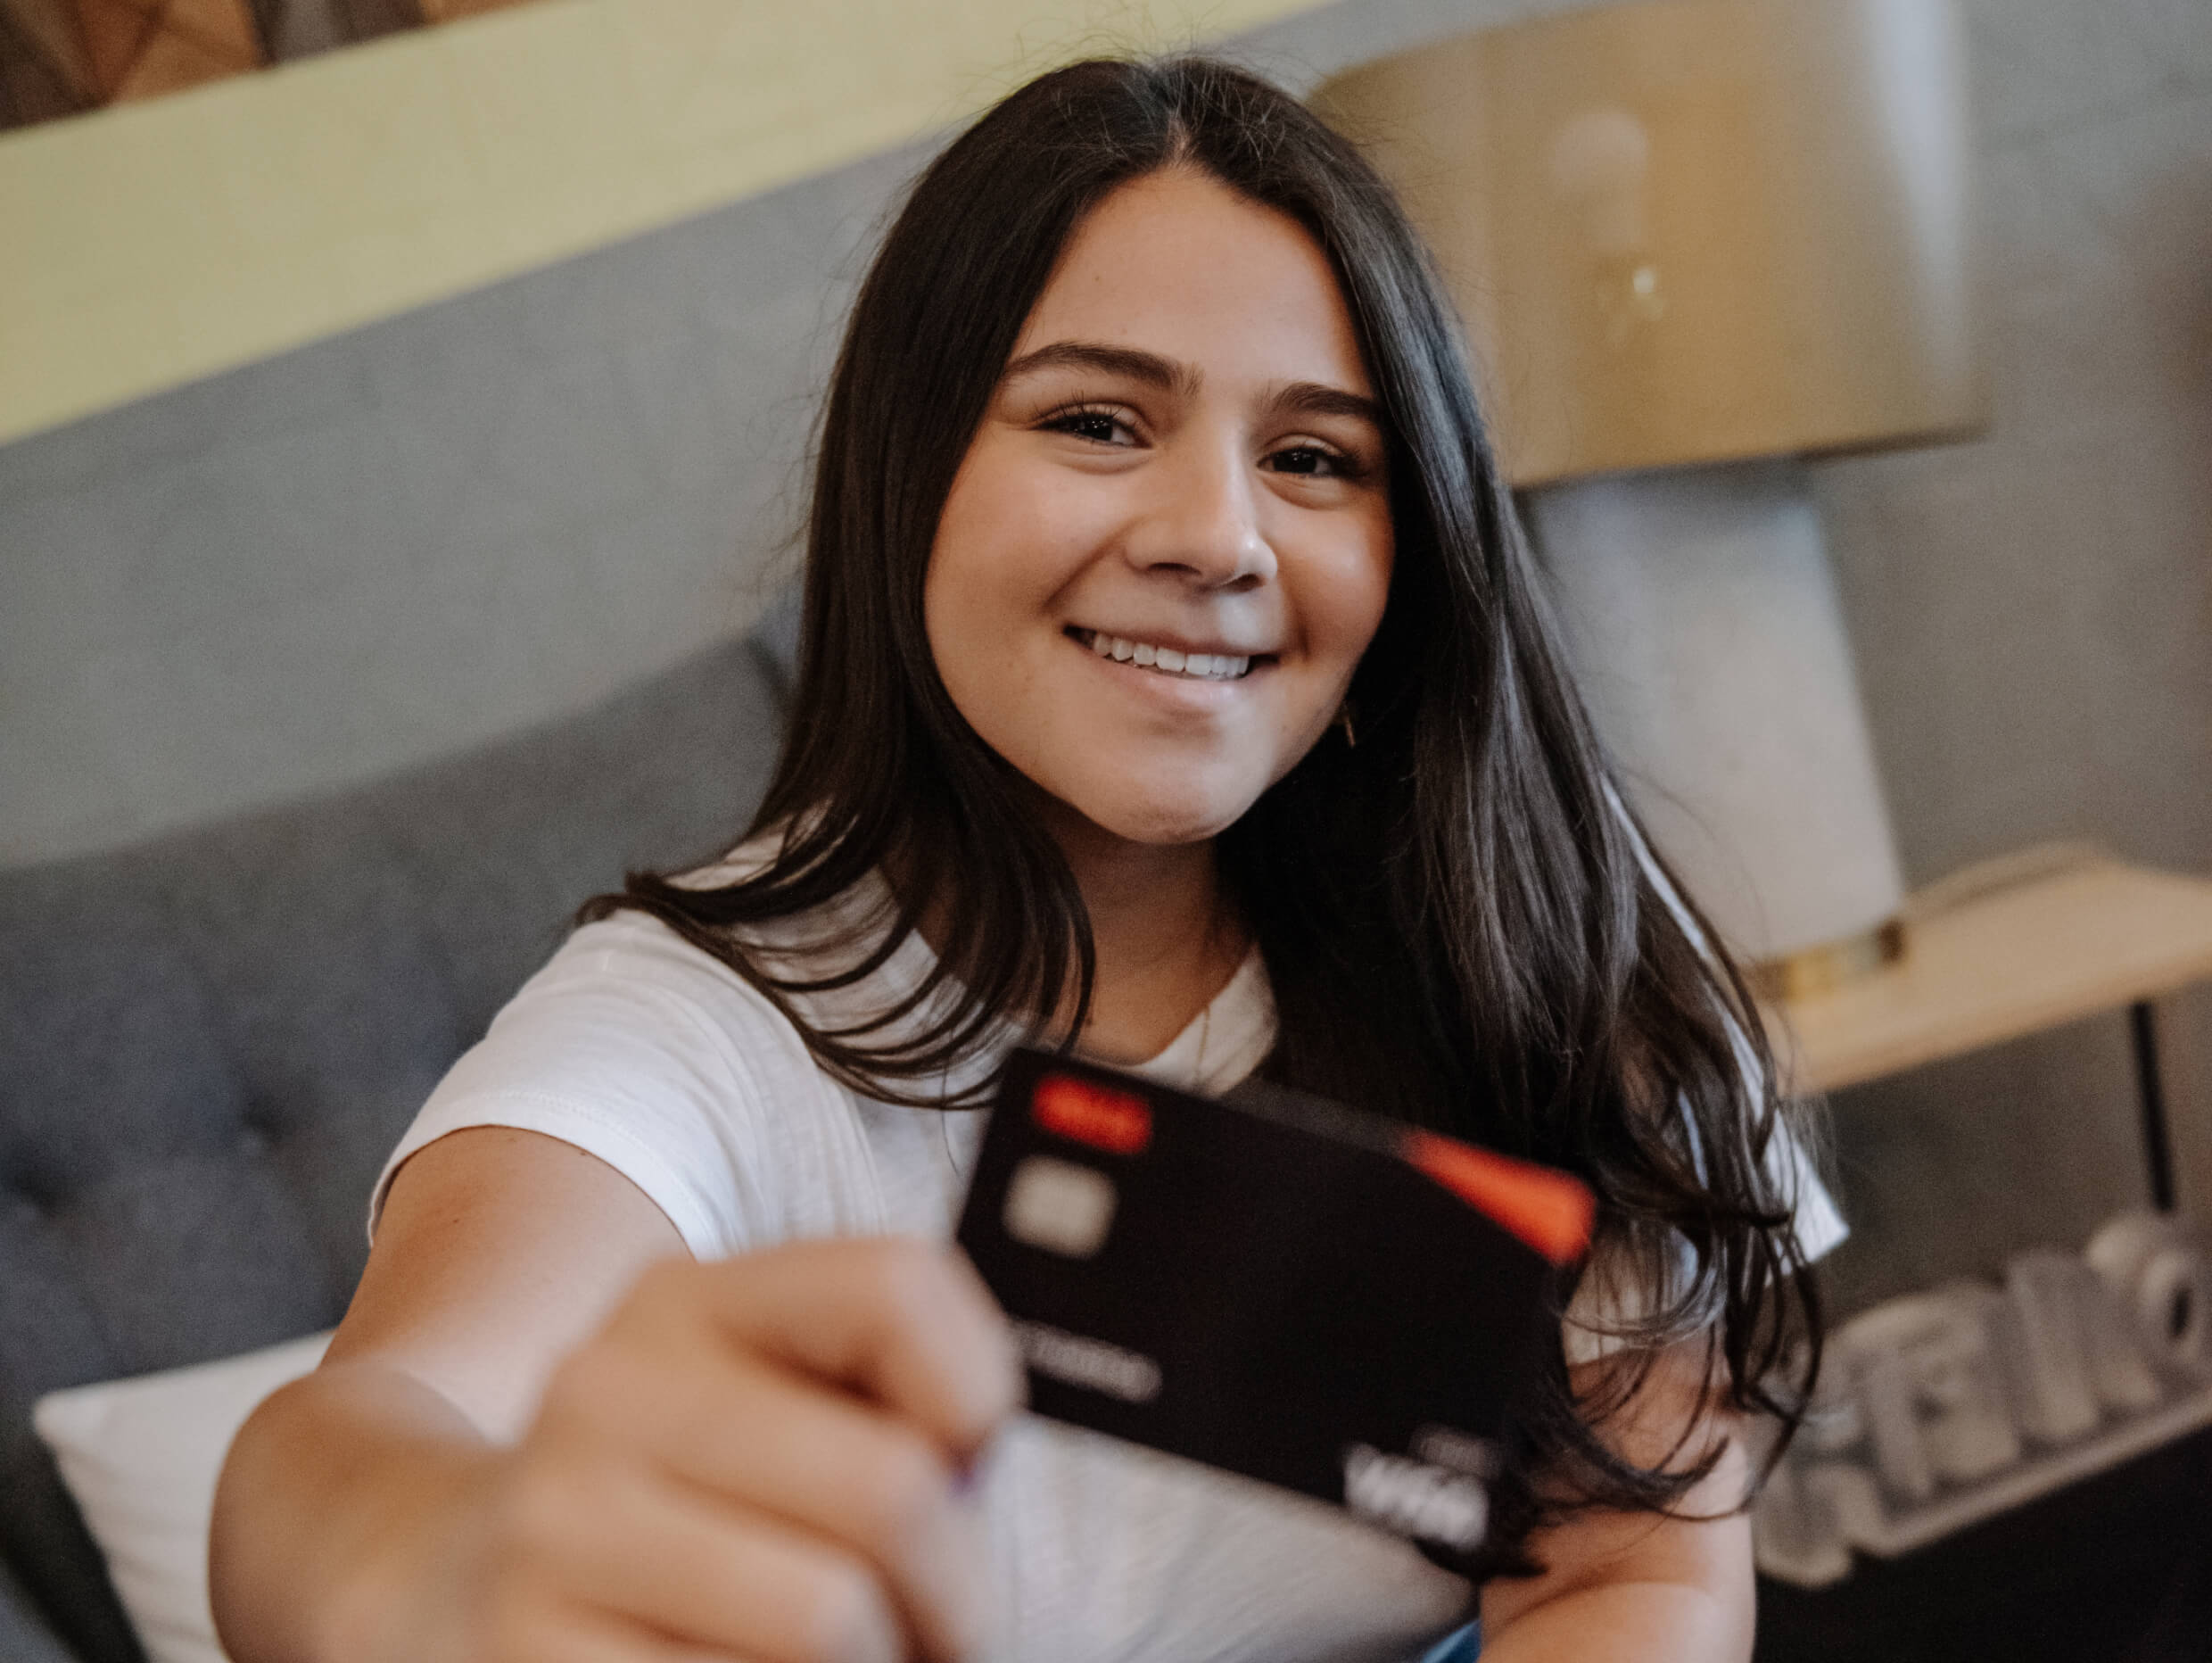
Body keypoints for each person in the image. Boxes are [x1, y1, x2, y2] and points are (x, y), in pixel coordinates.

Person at [210, 55, 1842, 1663]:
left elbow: (1623, 1571)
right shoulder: (695, 1028)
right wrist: (430, 1572)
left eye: (1315, 457)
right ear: (909, 477)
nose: (1218, 535)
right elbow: (368, 1427)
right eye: (1096, 420)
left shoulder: (1524, 913)